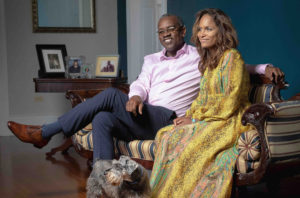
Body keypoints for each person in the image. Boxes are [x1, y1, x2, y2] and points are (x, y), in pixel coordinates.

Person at [7, 14, 284, 164]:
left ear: (182, 30)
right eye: (161, 31)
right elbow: (140, 81)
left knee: (113, 94)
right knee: (103, 118)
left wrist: (264, 68)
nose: (165, 35)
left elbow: (235, 64)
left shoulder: (198, 55)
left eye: (171, 29)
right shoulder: (150, 60)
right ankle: (107, 186)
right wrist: (137, 94)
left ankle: (44, 133)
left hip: (168, 117)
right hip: (143, 116)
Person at [145, 9, 262, 198]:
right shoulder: (209, 60)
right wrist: (190, 115)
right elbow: (202, 99)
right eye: (200, 29)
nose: (202, 34)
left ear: (222, 31)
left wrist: (197, 122)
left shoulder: (232, 58)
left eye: (208, 28)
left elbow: (230, 101)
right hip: (210, 119)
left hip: (228, 121)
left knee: (189, 145)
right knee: (167, 134)